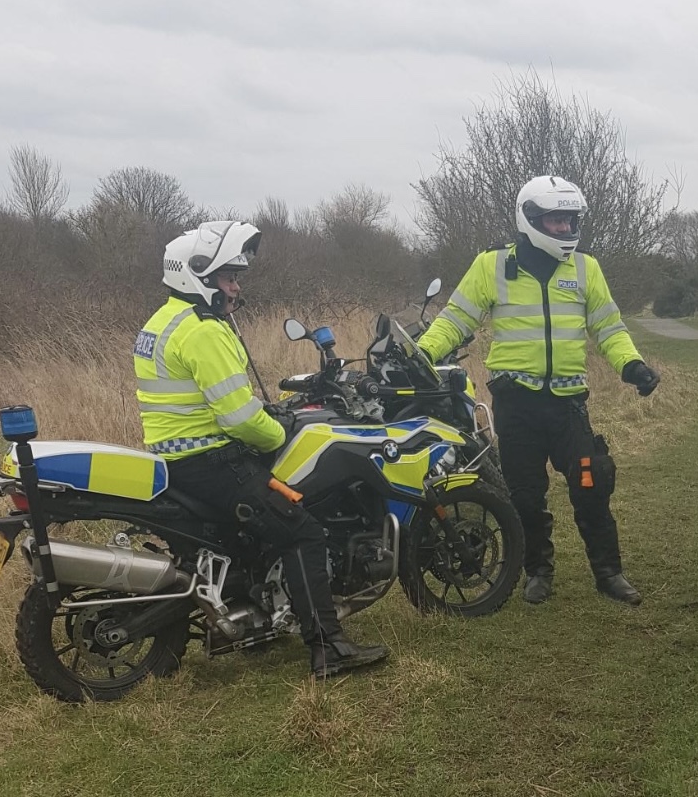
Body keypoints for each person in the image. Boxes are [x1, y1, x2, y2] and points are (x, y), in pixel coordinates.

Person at [134, 219, 389, 677]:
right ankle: (328, 648)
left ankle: (256, 614)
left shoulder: (161, 321)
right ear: (199, 277)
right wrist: (278, 434)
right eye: (229, 279)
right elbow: (237, 417)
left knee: (259, 532)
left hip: (177, 458)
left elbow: (211, 401)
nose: (235, 289)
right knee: (301, 531)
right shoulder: (203, 331)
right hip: (213, 461)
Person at [417, 176, 660, 606]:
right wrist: (420, 356)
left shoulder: (587, 269)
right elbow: (455, 320)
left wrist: (632, 365)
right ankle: (537, 572)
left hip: (568, 406)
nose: (566, 230)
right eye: (557, 221)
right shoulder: (490, 266)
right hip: (517, 405)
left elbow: (608, 327)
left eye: (571, 221)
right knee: (525, 496)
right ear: (530, 220)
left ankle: (609, 574)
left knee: (593, 485)